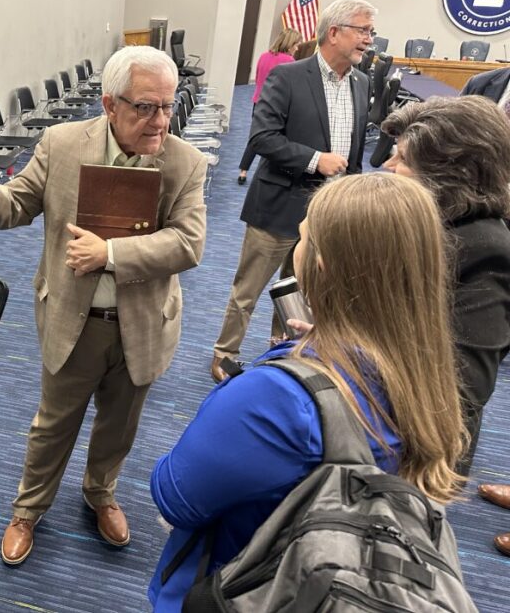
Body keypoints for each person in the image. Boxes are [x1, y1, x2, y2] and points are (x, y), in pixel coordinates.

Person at [0, 45, 207, 565]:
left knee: (120, 425)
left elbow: (189, 243)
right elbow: (15, 205)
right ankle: (29, 508)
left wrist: (110, 253)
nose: (160, 121)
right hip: (75, 319)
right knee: (54, 424)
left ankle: (101, 493)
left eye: (166, 106)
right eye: (145, 107)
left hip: (142, 324)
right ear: (110, 104)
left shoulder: (183, 162)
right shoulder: (63, 143)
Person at [150, 173, 467, 611]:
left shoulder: (278, 397)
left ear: (319, 265)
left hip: (251, 588)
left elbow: (174, 495)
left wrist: (276, 365)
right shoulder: (425, 371)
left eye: (303, 237)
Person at [210, 0, 374, 383]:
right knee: (247, 290)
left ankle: (282, 349)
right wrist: (316, 159)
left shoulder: (362, 82)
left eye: (371, 32)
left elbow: (354, 151)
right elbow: (263, 137)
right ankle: (224, 354)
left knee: (301, 291)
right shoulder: (288, 77)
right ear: (334, 32)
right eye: (362, 30)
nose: (369, 40)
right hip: (278, 204)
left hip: (326, 214)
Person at [381, 95, 510, 555]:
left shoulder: (485, 249)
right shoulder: (434, 223)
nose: (388, 166)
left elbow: (462, 388)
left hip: (414, 454)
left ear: (451, 176)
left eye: (403, 160)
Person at [236, 28, 302, 185]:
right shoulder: (290, 62)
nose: (297, 48)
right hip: (277, 107)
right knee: (275, 141)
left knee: (256, 137)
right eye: (297, 44)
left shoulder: (264, 56)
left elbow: (258, 78)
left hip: (258, 102)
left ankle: (243, 171)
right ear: (290, 44)